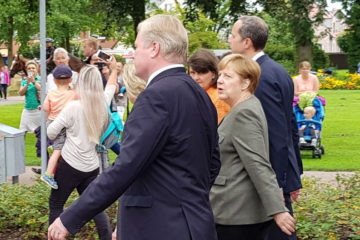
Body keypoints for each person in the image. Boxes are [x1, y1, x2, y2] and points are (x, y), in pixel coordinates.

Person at [48, 14, 220, 240]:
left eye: (138, 47)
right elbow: (213, 162)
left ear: (154, 48)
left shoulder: (156, 96)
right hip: (195, 224)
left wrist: (70, 218)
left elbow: (126, 167)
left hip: (159, 228)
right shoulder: (200, 93)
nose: (134, 54)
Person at [228, 16, 302, 240]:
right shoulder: (278, 71)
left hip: (269, 178)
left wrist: (278, 184)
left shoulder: (260, 78)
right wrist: (295, 172)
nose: (229, 41)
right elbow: (291, 127)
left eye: (232, 35)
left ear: (247, 42)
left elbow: (275, 133)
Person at [210, 53, 296, 240]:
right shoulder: (245, 107)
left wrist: (278, 211)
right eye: (220, 75)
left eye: (228, 76)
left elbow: (258, 164)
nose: (220, 81)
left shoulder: (244, 113)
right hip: (235, 213)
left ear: (245, 83)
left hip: (237, 217)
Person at [46, 60, 119, 239]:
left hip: (70, 165)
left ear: (81, 83)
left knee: (56, 204)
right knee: (94, 206)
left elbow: (51, 132)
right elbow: (110, 87)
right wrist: (114, 70)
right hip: (91, 166)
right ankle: (106, 237)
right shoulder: (103, 103)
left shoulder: (73, 107)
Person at [41, 65, 76, 189]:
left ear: (54, 80)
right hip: (63, 125)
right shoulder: (73, 94)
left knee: (60, 148)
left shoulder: (51, 93)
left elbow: (45, 108)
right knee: (58, 150)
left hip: (51, 122)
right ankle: (48, 174)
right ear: (71, 80)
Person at [188, 49, 230, 124]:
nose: (196, 77)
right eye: (192, 73)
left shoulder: (220, 97)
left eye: (201, 73)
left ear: (213, 74)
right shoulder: (191, 92)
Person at [18, 61, 41, 133]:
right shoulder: (25, 80)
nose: (31, 69)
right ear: (26, 70)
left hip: (39, 110)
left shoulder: (40, 79)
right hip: (27, 110)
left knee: (40, 133)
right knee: (22, 131)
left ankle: (42, 145)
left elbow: (42, 90)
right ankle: (20, 144)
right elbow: (21, 93)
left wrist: (33, 82)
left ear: (37, 69)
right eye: (29, 68)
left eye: (33, 68)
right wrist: (27, 84)